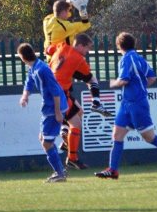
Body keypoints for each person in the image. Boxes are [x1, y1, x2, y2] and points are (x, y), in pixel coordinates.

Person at [95, 32, 157, 180]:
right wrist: (141, 87)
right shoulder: (140, 58)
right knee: (117, 135)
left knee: (149, 137)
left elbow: (123, 80)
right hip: (127, 104)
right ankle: (113, 169)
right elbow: (152, 77)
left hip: (136, 104)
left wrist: (112, 83)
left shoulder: (125, 59)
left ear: (119, 46)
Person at [48, 34, 113, 170]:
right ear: (80, 46)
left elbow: (49, 49)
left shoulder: (61, 45)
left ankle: (66, 136)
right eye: (87, 49)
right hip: (58, 93)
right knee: (76, 123)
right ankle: (72, 158)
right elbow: (89, 77)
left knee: (80, 112)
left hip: (56, 88)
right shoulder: (79, 58)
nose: (87, 52)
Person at [18, 43, 68, 183]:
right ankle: (60, 171)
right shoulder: (34, 67)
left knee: (46, 143)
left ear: (23, 57)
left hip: (53, 109)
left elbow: (56, 91)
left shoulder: (42, 69)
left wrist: (58, 112)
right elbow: (29, 82)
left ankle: (59, 173)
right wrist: (25, 95)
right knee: (43, 139)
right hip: (48, 108)